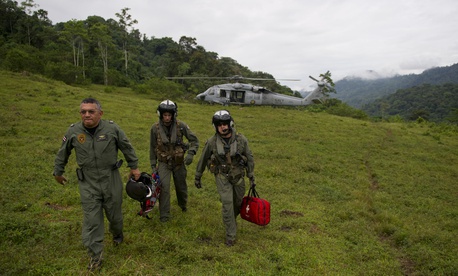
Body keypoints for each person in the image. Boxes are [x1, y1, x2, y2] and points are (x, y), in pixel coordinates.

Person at [53, 98, 141, 271]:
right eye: (83, 111)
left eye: (91, 111)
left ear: (100, 113)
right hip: (88, 182)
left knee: (114, 215)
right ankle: (96, 257)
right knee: (92, 220)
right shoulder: (73, 131)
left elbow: (127, 147)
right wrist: (58, 171)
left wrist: (134, 167)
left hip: (111, 178)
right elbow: (62, 152)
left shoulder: (112, 129)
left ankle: (117, 233)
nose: (87, 115)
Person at [194, 110, 255, 246]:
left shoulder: (241, 140)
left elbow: (249, 158)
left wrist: (251, 176)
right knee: (227, 203)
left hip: (238, 175)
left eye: (225, 124)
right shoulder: (212, 142)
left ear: (230, 124)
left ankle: (230, 221)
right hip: (222, 176)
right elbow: (202, 160)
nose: (223, 127)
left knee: (238, 203)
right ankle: (230, 235)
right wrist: (198, 176)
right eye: (219, 124)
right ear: (215, 126)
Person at [150, 100, 199, 222]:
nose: (167, 118)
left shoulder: (181, 126)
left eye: (169, 115)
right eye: (164, 115)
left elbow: (194, 141)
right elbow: (152, 147)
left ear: (173, 115)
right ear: (160, 115)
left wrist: (191, 154)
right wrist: (153, 164)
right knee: (164, 187)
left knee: (181, 187)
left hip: (179, 162)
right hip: (163, 162)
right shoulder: (155, 128)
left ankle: (183, 205)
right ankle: (164, 215)